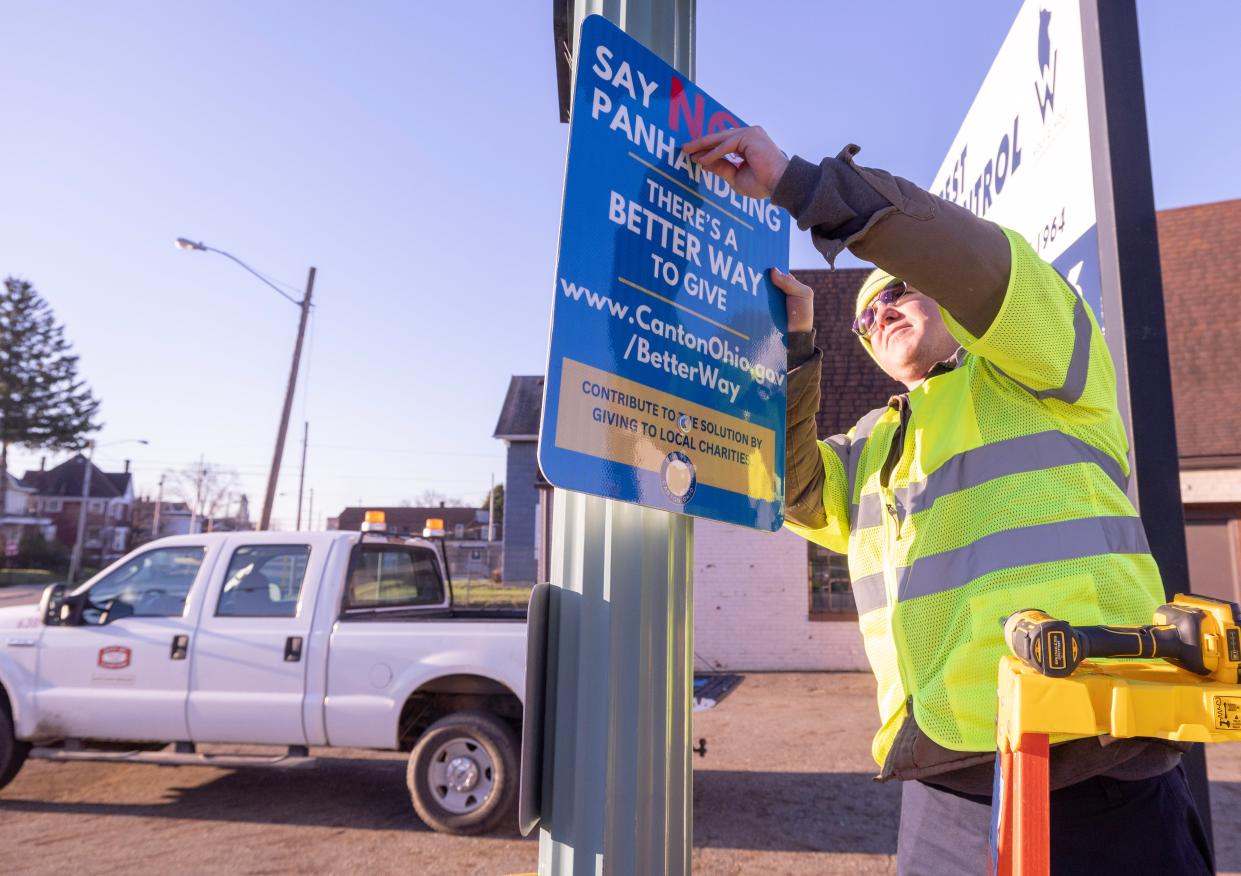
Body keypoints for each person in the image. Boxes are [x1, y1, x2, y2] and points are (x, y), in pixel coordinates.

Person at [682, 126, 1214, 875]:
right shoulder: (872, 444)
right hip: (943, 780)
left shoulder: (1042, 369)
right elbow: (791, 487)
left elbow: (974, 264)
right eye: (866, 315)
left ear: (947, 299)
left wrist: (806, 188)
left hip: (1094, 769)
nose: (882, 310)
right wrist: (795, 346)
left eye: (899, 287)